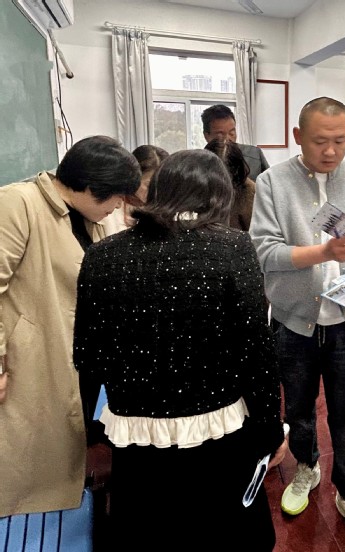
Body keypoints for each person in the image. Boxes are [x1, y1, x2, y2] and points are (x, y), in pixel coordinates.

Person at [73, 149, 287, 551]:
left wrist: (90, 431)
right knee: (225, 536)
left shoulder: (100, 256)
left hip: (135, 438)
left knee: (150, 535)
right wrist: (271, 431)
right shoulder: (233, 247)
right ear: (219, 198)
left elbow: (88, 356)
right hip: (219, 433)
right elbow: (255, 352)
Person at [250, 97, 345, 551]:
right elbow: (263, 251)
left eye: (340, 141)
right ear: (298, 137)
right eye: (320, 141)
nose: (331, 151)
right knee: (299, 409)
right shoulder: (272, 182)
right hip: (294, 322)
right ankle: (307, 468)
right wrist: (323, 253)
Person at [0, 135, 140, 518]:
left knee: (66, 437)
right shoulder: (18, 204)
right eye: (116, 197)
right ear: (92, 187)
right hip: (34, 351)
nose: (118, 207)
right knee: (26, 454)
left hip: (77, 353)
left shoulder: (88, 218)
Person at [100, 144, 169, 234]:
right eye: (149, 185)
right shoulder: (110, 207)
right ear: (133, 177)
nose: (156, 192)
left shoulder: (167, 208)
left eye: (161, 186)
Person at [201, 104, 270, 181]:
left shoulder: (254, 154)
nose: (227, 139)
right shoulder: (198, 162)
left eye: (232, 133)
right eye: (220, 134)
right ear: (206, 136)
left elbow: (270, 183)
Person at [205, 138, 257, 231]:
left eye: (226, 174)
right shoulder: (197, 188)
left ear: (236, 172)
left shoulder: (250, 192)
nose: (221, 181)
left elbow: (255, 233)